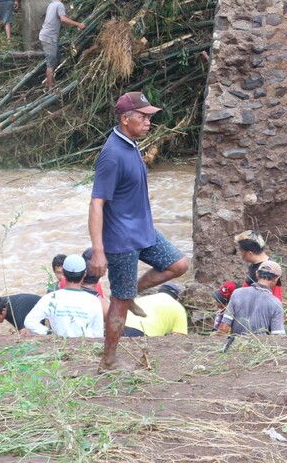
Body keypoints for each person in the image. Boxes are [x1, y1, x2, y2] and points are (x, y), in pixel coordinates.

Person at [89, 92, 189, 370]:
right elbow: (97, 203)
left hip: (143, 231)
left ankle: (131, 291)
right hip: (121, 240)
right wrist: (99, 250)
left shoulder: (131, 144)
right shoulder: (112, 155)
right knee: (119, 303)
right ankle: (108, 360)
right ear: (125, 119)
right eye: (143, 116)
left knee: (179, 264)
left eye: (149, 116)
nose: (148, 121)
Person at [23, 254, 104, 338]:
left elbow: (29, 322)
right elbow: (98, 334)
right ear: (84, 274)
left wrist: (49, 333)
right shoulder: (94, 301)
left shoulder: (50, 297)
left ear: (64, 274)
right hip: (85, 345)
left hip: (60, 344)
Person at [215, 261, 285, 336]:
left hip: (235, 345)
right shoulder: (276, 303)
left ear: (257, 274)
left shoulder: (237, 293)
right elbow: (278, 337)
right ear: (276, 279)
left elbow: (224, 328)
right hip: (259, 346)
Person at [39, 0, 85, 91]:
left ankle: (51, 82)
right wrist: (78, 24)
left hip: (47, 36)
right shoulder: (59, 5)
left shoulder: (52, 4)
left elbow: (59, 20)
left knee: (57, 57)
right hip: (48, 37)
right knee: (50, 63)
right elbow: (63, 19)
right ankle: (50, 89)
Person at [123, 283, 188, 338]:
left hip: (120, 328)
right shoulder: (179, 308)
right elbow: (179, 336)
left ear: (159, 291)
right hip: (143, 333)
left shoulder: (142, 298)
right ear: (176, 297)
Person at [234, 230, 283, 301]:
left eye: (241, 251)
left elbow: (274, 298)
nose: (240, 254)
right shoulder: (254, 266)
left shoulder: (269, 269)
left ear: (249, 253)